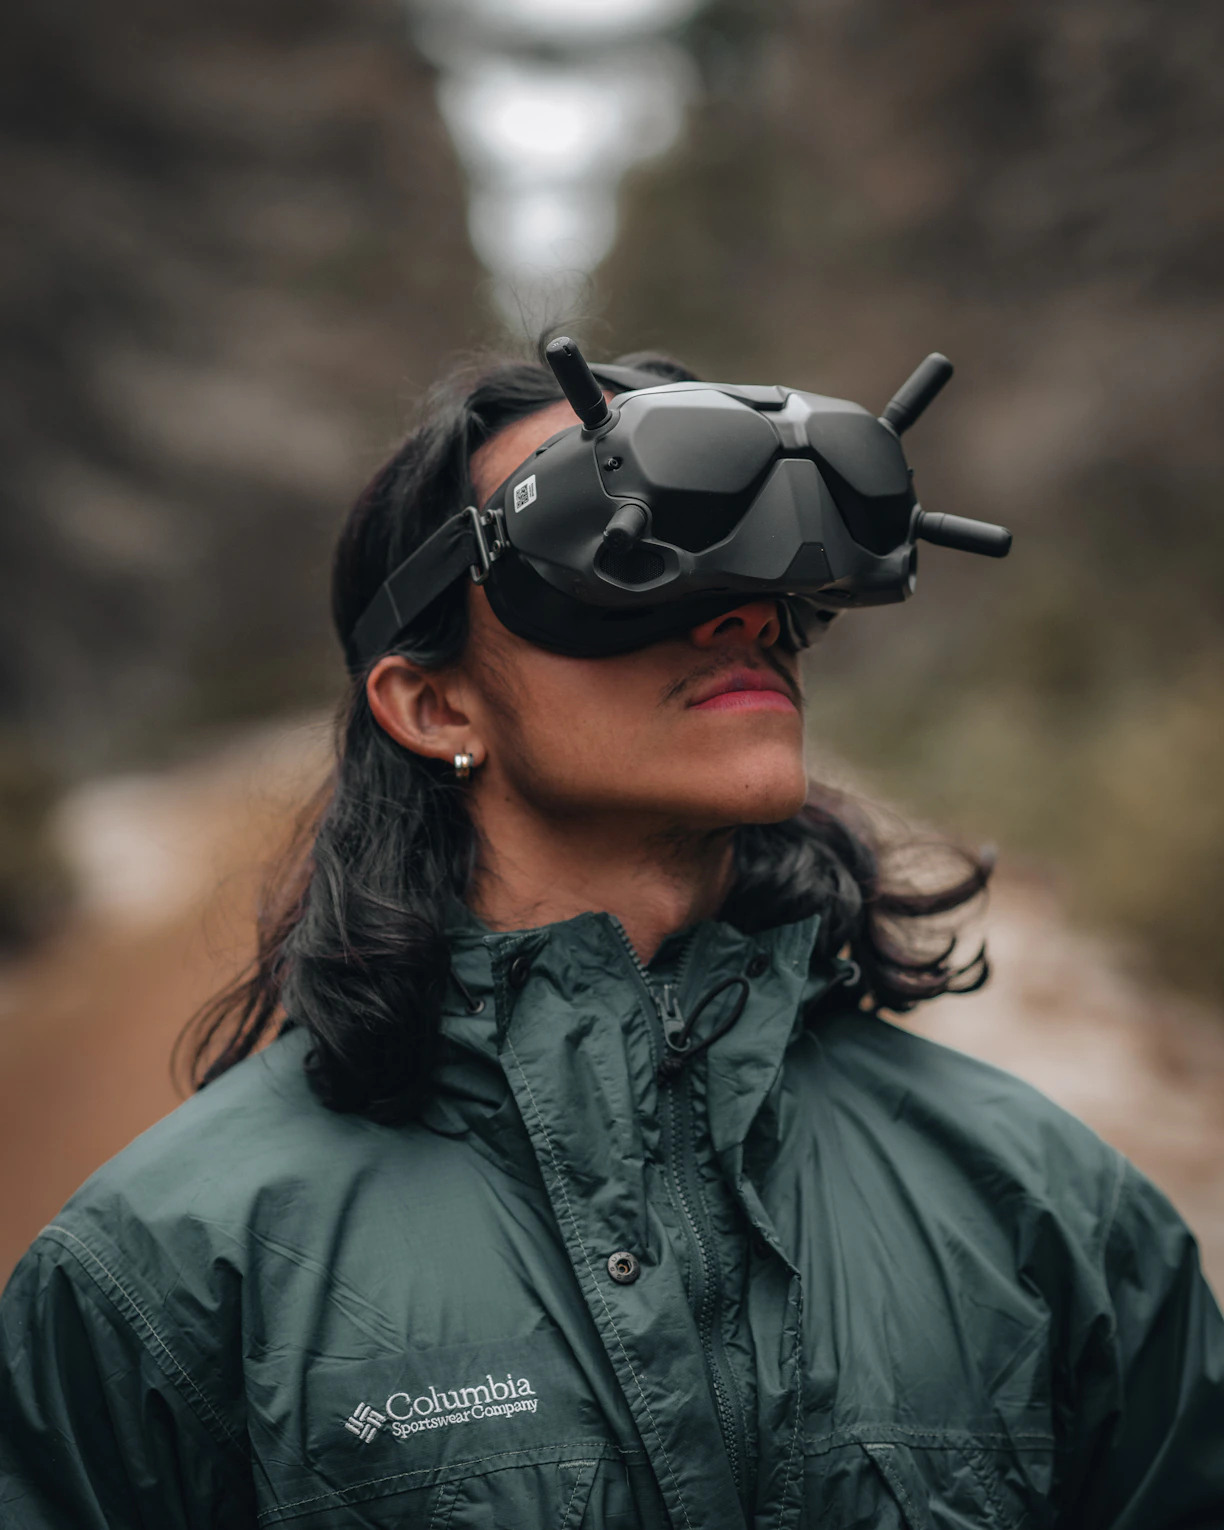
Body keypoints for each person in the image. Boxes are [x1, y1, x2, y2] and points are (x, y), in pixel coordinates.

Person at [0, 346, 1221, 1530]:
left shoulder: (1050, 1212)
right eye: (618, 547)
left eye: (763, 570)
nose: (745, 614)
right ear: (433, 704)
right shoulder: (166, 1280)